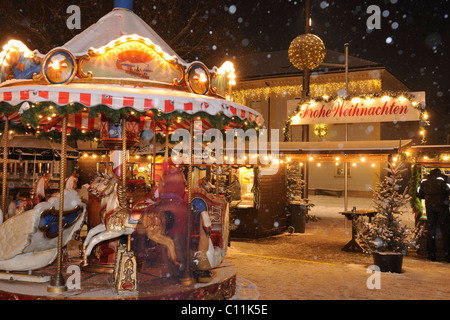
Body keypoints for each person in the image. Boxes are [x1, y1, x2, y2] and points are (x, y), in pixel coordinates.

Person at [417, 168, 450, 262]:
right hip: (443, 206)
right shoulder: (445, 178)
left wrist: (428, 197)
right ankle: (447, 255)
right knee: (446, 231)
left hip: (430, 207)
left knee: (431, 231)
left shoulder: (424, 179)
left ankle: (431, 255)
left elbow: (418, 193)